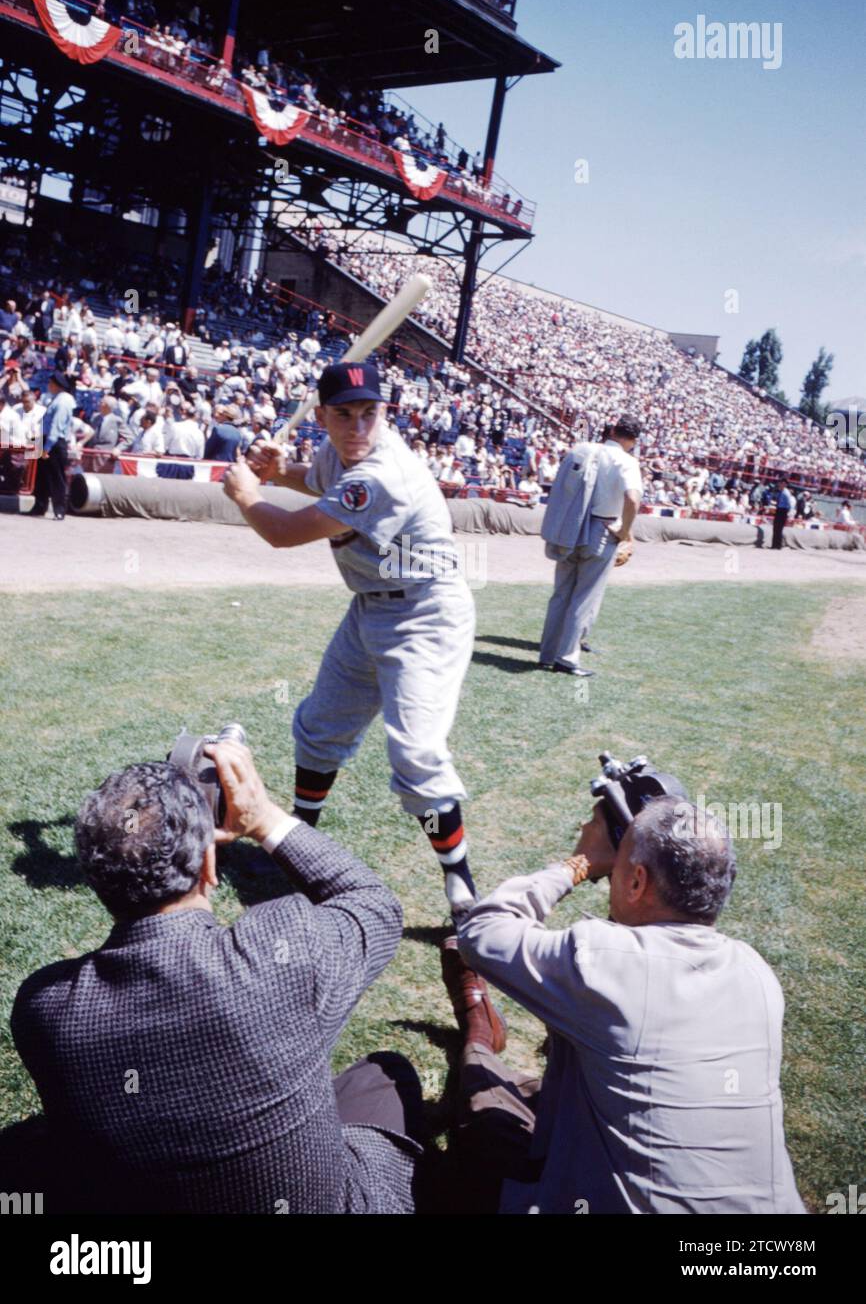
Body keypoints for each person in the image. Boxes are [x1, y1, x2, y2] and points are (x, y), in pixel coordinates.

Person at [10, 736, 423, 1214]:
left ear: (95, 879)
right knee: (384, 1075)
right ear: (209, 863)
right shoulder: (283, 953)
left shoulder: (45, 1010)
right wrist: (265, 818)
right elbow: (374, 905)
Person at [446, 788, 806, 1215]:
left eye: (620, 864)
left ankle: (480, 1036)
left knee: (483, 1100)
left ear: (636, 881)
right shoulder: (756, 972)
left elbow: (481, 931)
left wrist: (579, 863)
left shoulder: (604, 963)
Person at [226, 360, 478, 917]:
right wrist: (282, 469)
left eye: (371, 413)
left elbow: (284, 532)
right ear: (321, 417)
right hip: (370, 607)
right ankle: (296, 849)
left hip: (425, 614)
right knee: (320, 727)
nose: (359, 426)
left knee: (416, 753)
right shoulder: (338, 453)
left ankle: (461, 885)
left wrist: (247, 493)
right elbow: (317, 482)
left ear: (385, 414)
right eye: (345, 415)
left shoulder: (383, 473)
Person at [537, 415, 642, 677]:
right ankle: (566, 658)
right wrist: (625, 531)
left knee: (561, 593)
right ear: (633, 440)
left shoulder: (581, 449)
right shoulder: (627, 461)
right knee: (585, 597)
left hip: (570, 525)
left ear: (613, 430)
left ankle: (547, 653)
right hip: (602, 529)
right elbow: (632, 499)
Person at [28, 372, 75, 519]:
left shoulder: (63, 401)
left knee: (57, 478)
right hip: (47, 440)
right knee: (42, 476)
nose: (48, 385)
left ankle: (59, 510)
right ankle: (39, 506)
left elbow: (56, 426)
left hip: (54, 443)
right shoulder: (57, 399)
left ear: (56, 384)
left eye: (51, 383)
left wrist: (47, 448)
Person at [772, 480, 795, 549]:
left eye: (782, 483)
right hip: (779, 509)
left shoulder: (786, 493)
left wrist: (788, 514)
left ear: (785, 485)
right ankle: (774, 545)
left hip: (783, 511)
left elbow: (789, 504)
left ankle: (778, 545)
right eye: (780, 483)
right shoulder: (780, 492)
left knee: (779, 528)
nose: (780, 485)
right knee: (775, 528)